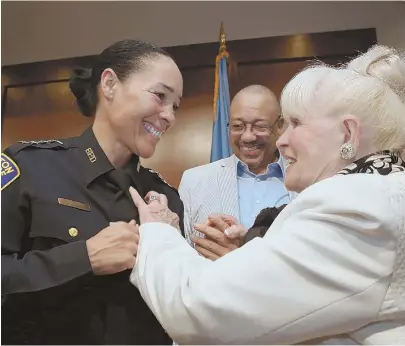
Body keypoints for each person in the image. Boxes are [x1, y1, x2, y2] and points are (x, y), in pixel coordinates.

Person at [128, 45, 405, 344]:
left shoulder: (356, 209)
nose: (282, 141)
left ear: (348, 135)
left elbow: (199, 311)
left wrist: (158, 232)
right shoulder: (377, 191)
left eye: (295, 123)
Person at [1, 39, 184, 345]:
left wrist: (182, 254)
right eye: (160, 96)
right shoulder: (29, 168)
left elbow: (176, 304)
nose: (170, 116)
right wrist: (82, 258)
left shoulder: (166, 199)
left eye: (175, 106)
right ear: (110, 84)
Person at [179, 85, 297, 260]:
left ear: (280, 126)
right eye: (238, 126)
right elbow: (182, 254)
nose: (247, 137)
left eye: (260, 126)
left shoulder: (307, 178)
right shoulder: (195, 181)